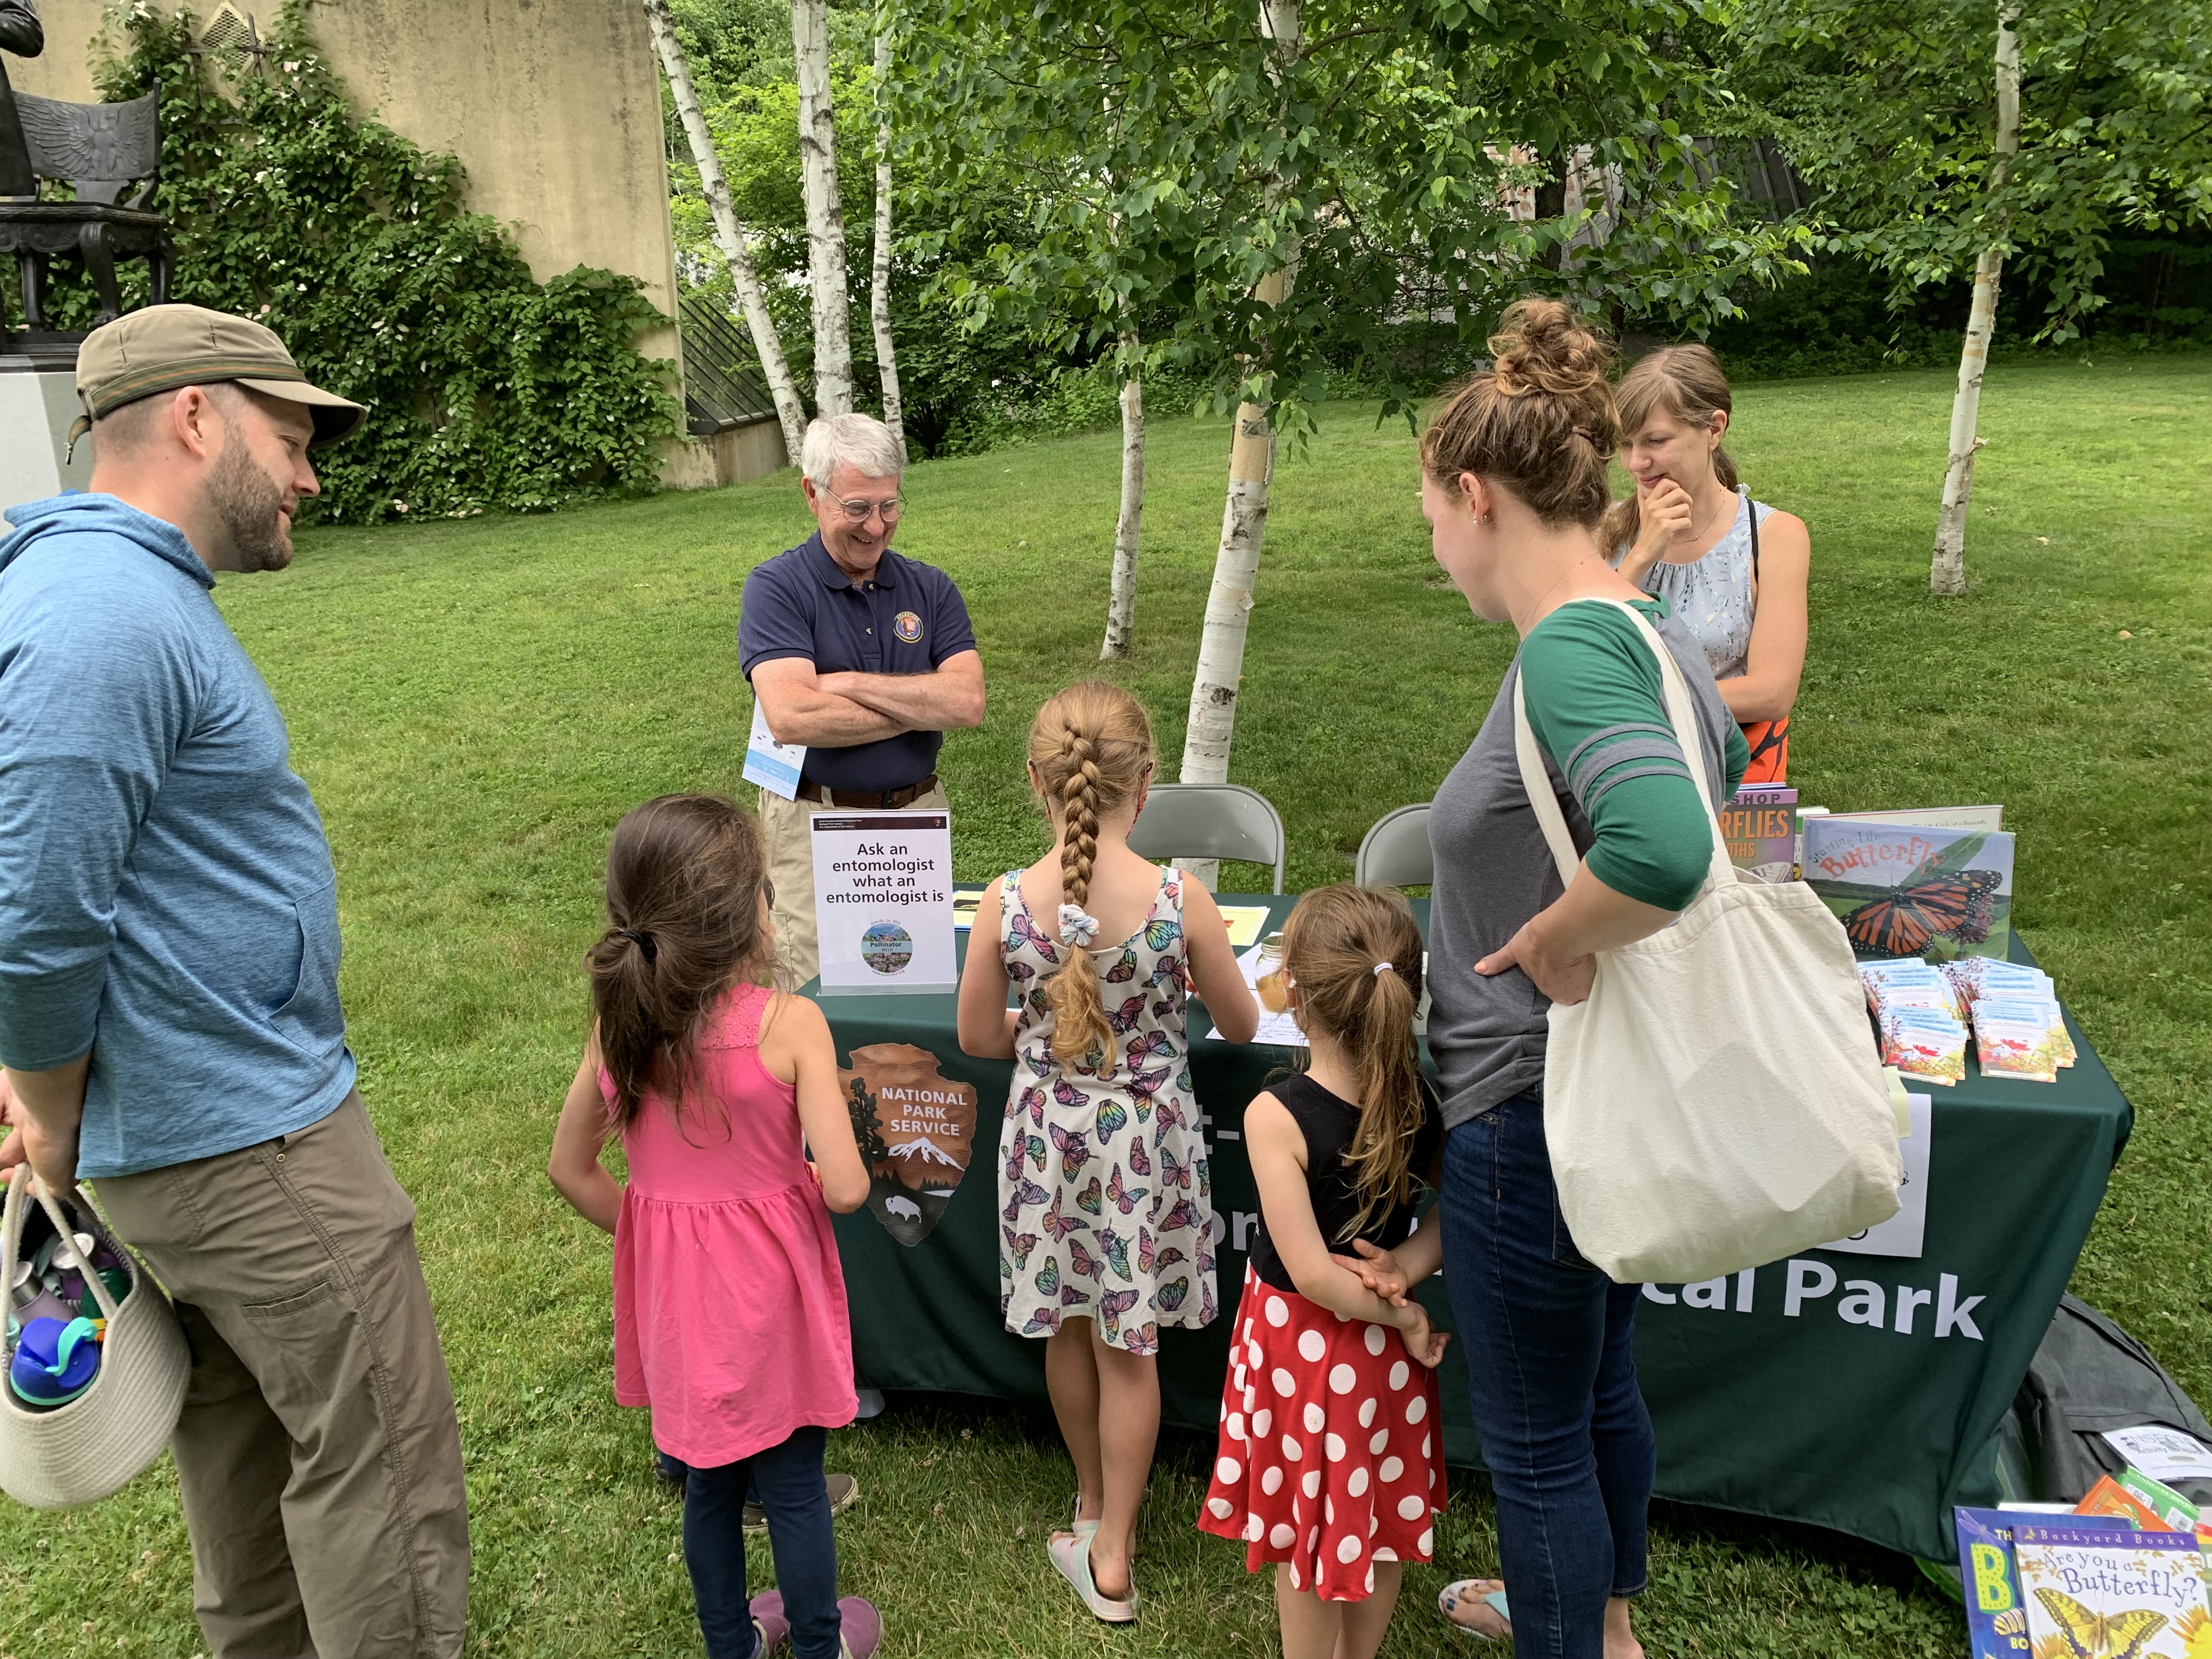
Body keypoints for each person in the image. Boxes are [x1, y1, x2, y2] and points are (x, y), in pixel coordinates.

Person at [0, 305, 469, 1658]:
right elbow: (35, 909)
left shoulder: (112, 589)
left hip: (207, 1138)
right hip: (251, 1148)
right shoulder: (99, 608)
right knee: (380, 1470)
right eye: (292, 435)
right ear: (197, 417)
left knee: (252, 1475)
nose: (311, 474)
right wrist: (51, 1111)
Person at [1387, 300, 1748, 1658]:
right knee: (1599, 1387)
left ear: (1476, 495)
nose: (1434, 545)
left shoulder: (1573, 647)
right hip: (1606, 1097)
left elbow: (1660, 844)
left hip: (1536, 1114)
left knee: (1536, 1442)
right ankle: (1605, 1625)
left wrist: (1548, 943)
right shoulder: (1647, 630)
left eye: (1431, 514)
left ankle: (1575, 1632)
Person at [548, 794, 883, 1659]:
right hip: (775, 1305)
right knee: (797, 1488)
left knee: (709, 1489)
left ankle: (730, 1646)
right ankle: (817, 1645)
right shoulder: (792, 1024)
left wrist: (655, 1229)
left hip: (678, 1309)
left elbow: (570, 1168)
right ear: (749, 918)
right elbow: (847, 1187)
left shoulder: (615, 1029)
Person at [955, 681, 1259, 1623]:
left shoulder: (1005, 901)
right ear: (1148, 779)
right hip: (1144, 1140)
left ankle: (1088, 1503)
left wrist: (1044, 1024)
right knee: (1131, 1343)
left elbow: (975, 1035)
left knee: (1069, 1325)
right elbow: (1243, 1022)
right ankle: (1114, 1550)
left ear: (1037, 784)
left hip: (1049, 1138)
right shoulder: (1181, 897)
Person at [1195, 883, 1451, 1659]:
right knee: (1372, 1521)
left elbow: (1308, 1273)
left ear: (1295, 998)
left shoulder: (1276, 1115)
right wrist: (1403, 1273)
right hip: (1380, 1367)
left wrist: (1401, 1312)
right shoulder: (1416, 1099)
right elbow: (1460, 1213)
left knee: (1307, 1534)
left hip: (1302, 1358)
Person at [739, 411, 986, 986]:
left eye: (889, 506)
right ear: (812, 494)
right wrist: (917, 701)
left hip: (913, 818)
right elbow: (793, 715)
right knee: (811, 989)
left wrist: (844, 683)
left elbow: (967, 703)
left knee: (914, 983)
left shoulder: (930, 587)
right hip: (812, 817)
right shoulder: (776, 588)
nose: (875, 527)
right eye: (857, 508)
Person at [1601, 343, 1808, 785]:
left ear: (1714, 429)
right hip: (1620, 772)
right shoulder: (1604, 530)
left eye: (1656, 441)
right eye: (1626, 444)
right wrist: (1641, 556)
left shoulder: (1773, 536)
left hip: (1730, 773)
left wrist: (1635, 706)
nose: (1637, 463)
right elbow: (1582, 650)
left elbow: (1772, 693)